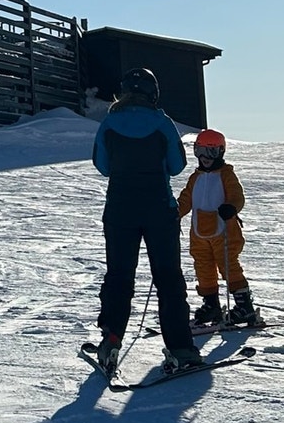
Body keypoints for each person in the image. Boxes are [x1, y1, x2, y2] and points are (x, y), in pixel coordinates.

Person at [90, 67, 201, 377]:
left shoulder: (109, 124)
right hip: (158, 210)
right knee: (168, 278)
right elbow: (177, 166)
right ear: (154, 93)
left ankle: (111, 338)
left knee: (119, 276)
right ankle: (180, 346)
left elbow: (102, 166)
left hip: (120, 210)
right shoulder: (163, 124)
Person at [176, 128, 262, 328]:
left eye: (211, 152)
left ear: (221, 152)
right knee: (203, 266)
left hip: (225, 231)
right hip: (199, 232)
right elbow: (186, 199)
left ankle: (244, 306)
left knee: (228, 264)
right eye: (200, 151)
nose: (205, 158)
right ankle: (211, 304)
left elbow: (237, 195)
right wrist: (174, 213)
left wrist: (231, 207)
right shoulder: (195, 178)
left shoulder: (226, 175)